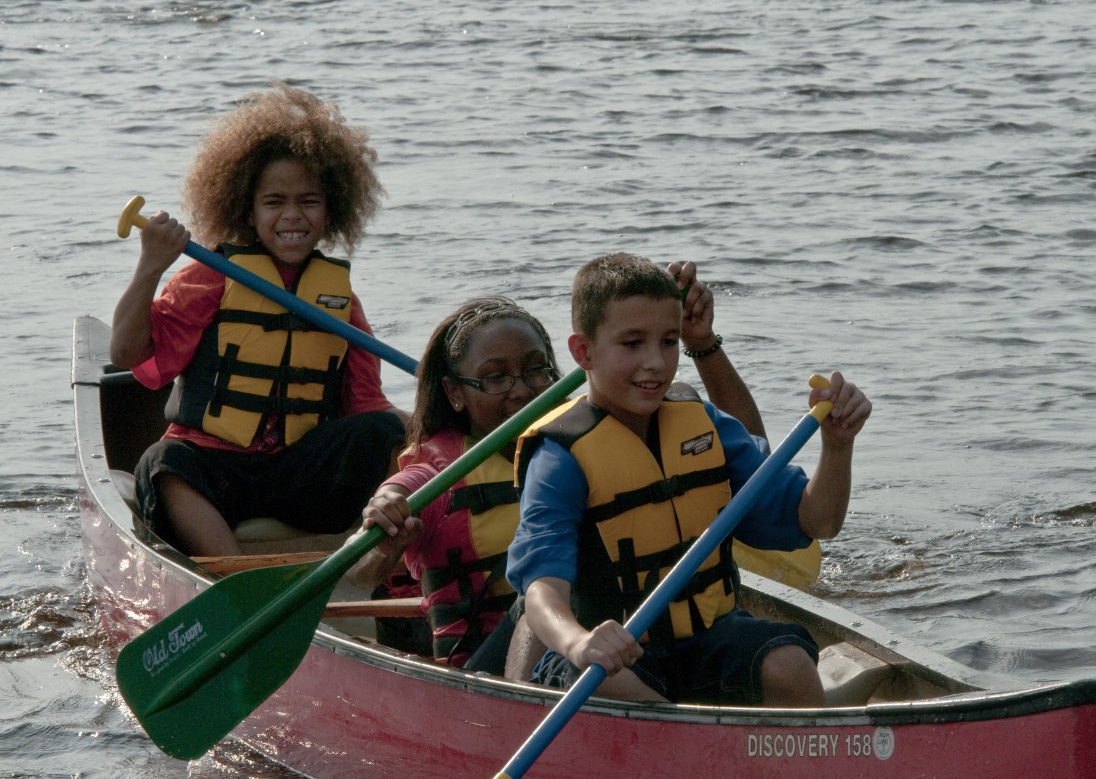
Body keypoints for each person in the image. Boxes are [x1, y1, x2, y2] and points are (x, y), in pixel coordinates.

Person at [347, 261, 767, 673]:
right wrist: (387, 523)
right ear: (455, 393)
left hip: (618, 642)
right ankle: (534, 705)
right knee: (540, 596)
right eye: (495, 378)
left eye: (536, 370)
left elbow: (748, 458)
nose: (522, 391)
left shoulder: (582, 440)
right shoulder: (434, 474)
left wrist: (701, 345)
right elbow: (364, 569)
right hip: (489, 670)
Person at [507, 252, 872, 707]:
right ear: (584, 352)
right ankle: (679, 739)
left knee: (790, 665)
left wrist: (837, 447)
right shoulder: (559, 457)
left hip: (708, 639)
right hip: (614, 654)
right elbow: (541, 592)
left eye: (668, 342)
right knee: (606, 681)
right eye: (632, 343)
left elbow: (819, 522)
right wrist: (579, 642)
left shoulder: (705, 423)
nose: (656, 363)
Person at [109, 83, 408, 557]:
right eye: (274, 202)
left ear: (331, 211)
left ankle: (365, 549)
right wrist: (151, 264)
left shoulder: (339, 299)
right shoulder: (209, 277)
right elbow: (125, 354)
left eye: (309, 201)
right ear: (247, 211)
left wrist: (439, 423)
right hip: (215, 468)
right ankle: (233, 568)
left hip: (298, 474)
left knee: (382, 432)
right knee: (161, 461)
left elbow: (366, 406)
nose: (292, 215)